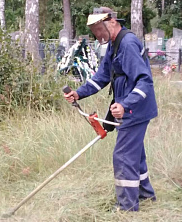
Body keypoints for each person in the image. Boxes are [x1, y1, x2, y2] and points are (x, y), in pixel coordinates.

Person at [64, 7, 158, 211]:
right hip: (129, 109)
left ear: (112, 22)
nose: (97, 35)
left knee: (123, 155)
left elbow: (144, 82)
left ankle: (127, 206)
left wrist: (125, 105)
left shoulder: (128, 43)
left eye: (99, 29)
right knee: (135, 153)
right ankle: (145, 195)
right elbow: (102, 77)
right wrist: (79, 93)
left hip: (136, 110)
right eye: (94, 30)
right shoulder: (114, 46)